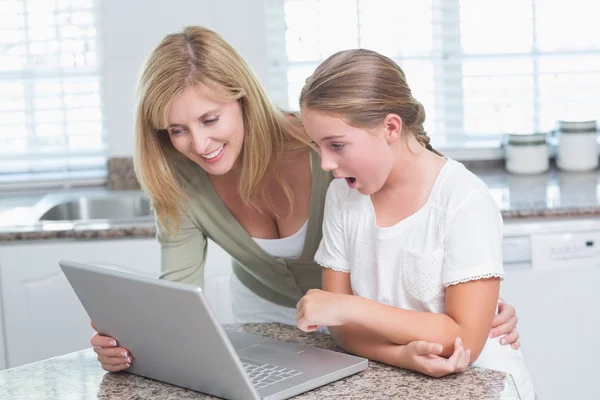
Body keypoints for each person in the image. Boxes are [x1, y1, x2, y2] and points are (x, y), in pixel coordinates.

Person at [89, 26, 521, 373]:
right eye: (176, 130)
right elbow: (175, 293)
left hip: (365, 314)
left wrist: (466, 309)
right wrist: (132, 340)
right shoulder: (178, 178)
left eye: (210, 119)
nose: (199, 144)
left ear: (243, 99)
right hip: (284, 316)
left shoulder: (324, 147)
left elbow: (420, 194)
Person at [294, 49, 535, 399]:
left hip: (483, 384)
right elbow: (341, 330)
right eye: (319, 146)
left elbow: (465, 341)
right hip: (396, 380)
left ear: (391, 127)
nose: (326, 163)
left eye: (337, 145)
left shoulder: (463, 199)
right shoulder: (343, 198)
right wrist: (400, 356)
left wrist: (349, 306)